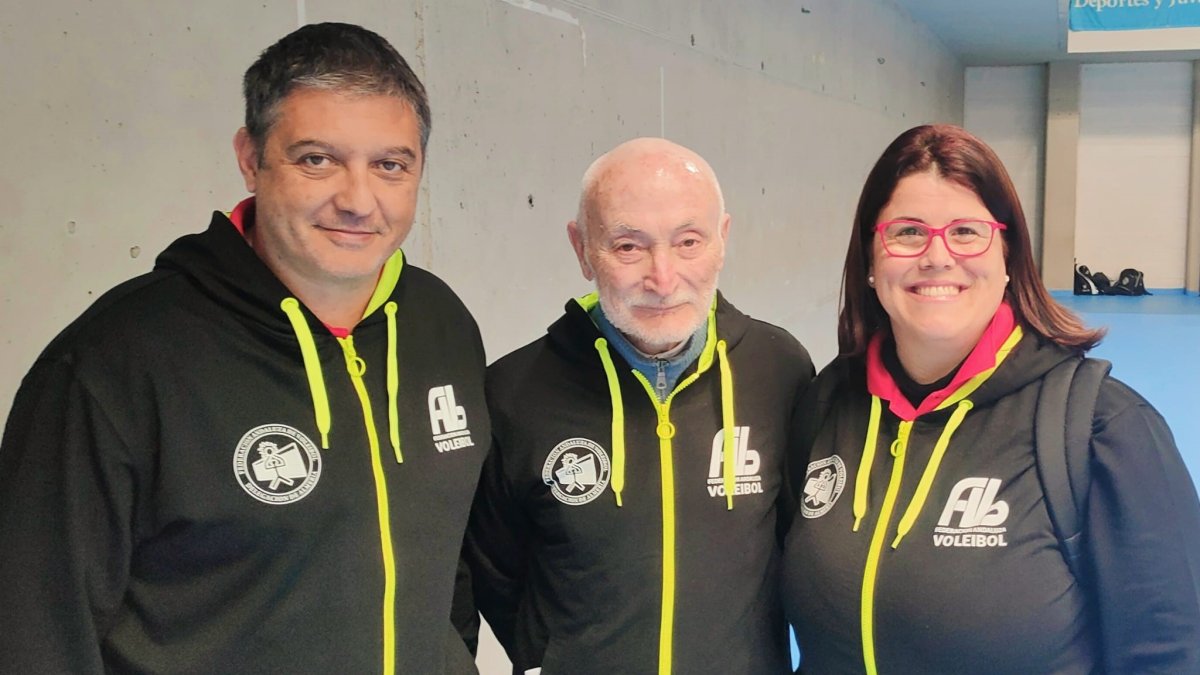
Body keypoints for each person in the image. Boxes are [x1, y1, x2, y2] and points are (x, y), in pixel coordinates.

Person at [0, 23, 488, 674]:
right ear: (250, 158)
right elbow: (34, 629)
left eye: (389, 166)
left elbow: (445, 560)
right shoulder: (113, 361)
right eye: (317, 159)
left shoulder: (441, 324)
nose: (357, 200)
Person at [782, 124, 1200, 673]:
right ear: (869, 262)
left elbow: (1169, 655)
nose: (937, 256)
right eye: (907, 232)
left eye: (966, 231)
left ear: (1008, 257)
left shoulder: (1104, 428)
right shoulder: (826, 405)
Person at [460, 137, 814, 674]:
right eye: (628, 246)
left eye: (688, 242)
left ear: (722, 240)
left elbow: (802, 545)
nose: (663, 279)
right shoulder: (514, 393)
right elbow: (495, 569)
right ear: (582, 250)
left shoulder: (779, 369)